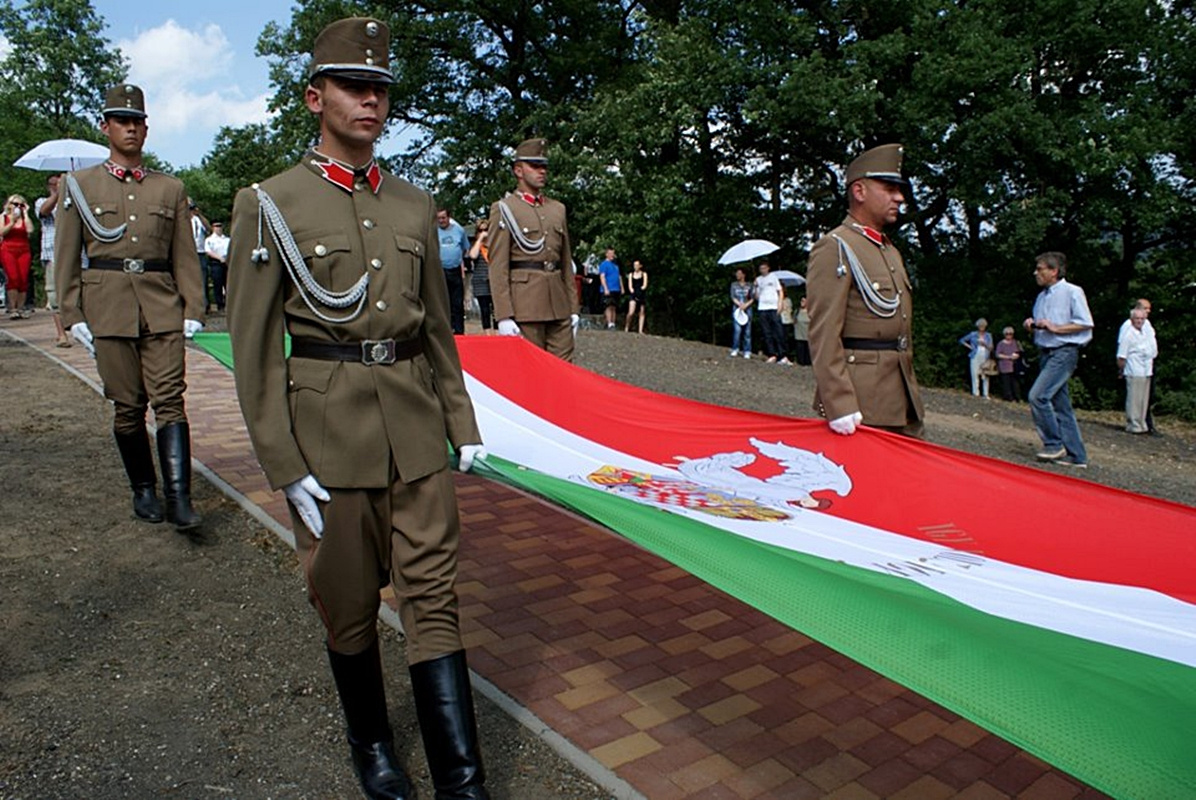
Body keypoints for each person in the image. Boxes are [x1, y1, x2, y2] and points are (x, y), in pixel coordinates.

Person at [226, 18, 490, 800]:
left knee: (434, 597)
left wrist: (461, 422)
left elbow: (437, 330)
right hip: (329, 436)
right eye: (354, 86)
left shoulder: (412, 205)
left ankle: (462, 781)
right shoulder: (269, 203)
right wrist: (283, 461)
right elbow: (252, 349)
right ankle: (372, 744)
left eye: (380, 89)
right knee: (346, 603)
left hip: (414, 431)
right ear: (316, 98)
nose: (371, 100)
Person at [54, 83, 206, 529]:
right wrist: (72, 313)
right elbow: (65, 256)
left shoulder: (170, 188)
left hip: (161, 306)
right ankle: (144, 489)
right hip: (109, 308)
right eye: (122, 120)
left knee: (171, 402)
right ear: (105, 126)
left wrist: (193, 307)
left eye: (138, 121)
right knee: (127, 405)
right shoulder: (78, 187)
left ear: (146, 127)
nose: (131, 128)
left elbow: (184, 256)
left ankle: (180, 498)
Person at [806, 143, 924, 437]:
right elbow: (824, 332)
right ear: (859, 192)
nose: (899, 197)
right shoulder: (835, 248)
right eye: (888, 188)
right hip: (861, 403)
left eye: (899, 189)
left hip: (899, 395)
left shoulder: (888, 249)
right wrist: (839, 402)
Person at [487, 137, 579, 360]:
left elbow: (566, 262)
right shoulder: (505, 209)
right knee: (532, 374)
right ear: (518, 170)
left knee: (566, 374)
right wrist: (504, 316)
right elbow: (498, 266)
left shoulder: (557, 209)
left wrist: (573, 307)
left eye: (544, 166)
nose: (542, 171)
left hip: (558, 304)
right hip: (525, 306)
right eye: (535, 166)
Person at [1023, 251, 1094, 468]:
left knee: (1038, 396)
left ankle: (1054, 443)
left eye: (1040, 268)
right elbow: (1042, 324)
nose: (1036, 273)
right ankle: (1077, 455)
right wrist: (1032, 325)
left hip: (1064, 351)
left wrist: (1056, 328)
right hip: (1046, 351)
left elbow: (1085, 322)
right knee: (1061, 405)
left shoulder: (1072, 292)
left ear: (1053, 271)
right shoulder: (1042, 296)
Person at [35, 175, 70, 345]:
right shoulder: (42, 201)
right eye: (54, 184)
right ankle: (61, 334)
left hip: (75, 254)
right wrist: (57, 193)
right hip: (52, 253)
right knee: (55, 295)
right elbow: (44, 211)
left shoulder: (72, 201)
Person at [1119, 298, 1158, 433]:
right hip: (1134, 367)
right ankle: (1133, 424)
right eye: (1146, 309)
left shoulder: (1147, 326)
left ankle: (1143, 424)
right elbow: (1122, 351)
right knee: (1134, 398)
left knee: (1144, 399)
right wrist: (1121, 369)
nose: (1148, 313)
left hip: (1147, 367)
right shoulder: (1128, 328)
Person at [1, 194, 35, 320]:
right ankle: (13, 308)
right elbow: (2, 232)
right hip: (8, 249)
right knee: (13, 277)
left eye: (21, 205)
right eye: (15, 204)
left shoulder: (24, 218)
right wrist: (12, 222)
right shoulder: (3, 217)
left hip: (24, 249)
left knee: (23, 278)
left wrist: (25, 214)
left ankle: (21, 308)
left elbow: (30, 230)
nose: (18, 207)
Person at [437, 207, 468, 334]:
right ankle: (446, 331)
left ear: (449, 217)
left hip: (455, 271)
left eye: (443, 218)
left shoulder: (459, 230)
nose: (441, 221)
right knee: (444, 303)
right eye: (438, 218)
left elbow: (465, 248)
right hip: (440, 271)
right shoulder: (433, 231)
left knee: (457, 303)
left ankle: (459, 332)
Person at [754, 261, 788, 364]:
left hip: (773, 307)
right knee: (766, 332)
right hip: (762, 307)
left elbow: (780, 291)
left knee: (778, 331)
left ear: (768, 268)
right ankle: (772, 354)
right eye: (761, 268)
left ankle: (783, 355)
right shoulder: (758, 280)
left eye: (764, 268)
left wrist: (780, 304)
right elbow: (756, 297)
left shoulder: (773, 277)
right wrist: (755, 287)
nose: (763, 270)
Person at [468, 219, 494, 333]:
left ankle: (498, 334)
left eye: (486, 230)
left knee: (497, 310)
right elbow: (473, 255)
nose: (484, 232)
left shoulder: (495, 246)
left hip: (494, 282)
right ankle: (487, 334)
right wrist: (480, 240)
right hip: (481, 283)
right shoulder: (476, 246)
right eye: (481, 230)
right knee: (485, 310)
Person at [958, 318, 993, 398]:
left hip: (985, 355)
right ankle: (975, 392)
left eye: (983, 326)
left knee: (985, 374)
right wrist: (970, 347)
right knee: (974, 373)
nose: (982, 327)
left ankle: (985, 393)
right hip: (975, 354)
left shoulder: (988, 335)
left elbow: (991, 347)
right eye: (980, 326)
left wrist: (985, 344)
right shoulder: (973, 334)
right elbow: (962, 340)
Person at [203, 221, 230, 312]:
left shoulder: (227, 239)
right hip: (216, 263)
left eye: (220, 226)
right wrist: (219, 258)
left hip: (226, 262)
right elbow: (208, 251)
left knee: (227, 284)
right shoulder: (209, 240)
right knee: (217, 284)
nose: (218, 228)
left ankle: (228, 303)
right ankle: (220, 304)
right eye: (216, 226)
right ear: (213, 227)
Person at [190, 201, 212, 313]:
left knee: (203, 279)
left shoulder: (199, 220)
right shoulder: (184, 220)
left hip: (200, 252)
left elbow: (209, 229)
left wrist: (199, 214)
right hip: (189, 253)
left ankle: (205, 305)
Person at [994, 326, 1024, 402]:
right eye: (1007, 334)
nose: (1009, 335)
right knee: (1006, 383)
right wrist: (1008, 357)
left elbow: (1020, 352)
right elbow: (997, 354)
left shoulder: (1015, 342)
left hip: (1014, 366)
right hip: (1004, 366)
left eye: (1010, 334)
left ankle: (1017, 397)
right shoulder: (1001, 343)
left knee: (1015, 383)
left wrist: (1016, 356)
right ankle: (1008, 397)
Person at [729, 267, 754, 358]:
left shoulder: (750, 285)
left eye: (739, 273)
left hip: (748, 309)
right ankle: (735, 348)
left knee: (747, 331)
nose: (737, 275)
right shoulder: (734, 285)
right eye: (737, 273)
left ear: (744, 275)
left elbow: (752, 298)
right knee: (737, 330)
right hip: (737, 308)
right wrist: (739, 304)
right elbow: (732, 297)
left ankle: (747, 350)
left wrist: (746, 305)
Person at [597, 248, 622, 329]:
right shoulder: (604, 264)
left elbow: (619, 277)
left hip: (616, 289)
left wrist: (622, 287)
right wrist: (605, 288)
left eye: (613, 253)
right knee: (608, 305)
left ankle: (613, 323)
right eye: (610, 253)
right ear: (606, 254)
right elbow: (602, 276)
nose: (612, 255)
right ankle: (609, 323)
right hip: (608, 288)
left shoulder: (616, 266)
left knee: (614, 306)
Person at [624, 259, 647, 333]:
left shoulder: (644, 274)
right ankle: (627, 327)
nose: (635, 267)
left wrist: (641, 290)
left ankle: (640, 330)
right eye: (634, 265)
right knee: (631, 312)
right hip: (633, 293)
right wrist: (632, 291)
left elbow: (644, 285)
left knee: (642, 312)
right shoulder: (631, 274)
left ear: (640, 266)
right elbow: (630, 286)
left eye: (637, 265)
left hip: (641, 293)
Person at [793, 295, 811, 366]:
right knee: (800, 354)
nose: (802, 302)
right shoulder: (797, 311)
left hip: (808, 337)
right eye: (801, 301)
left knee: (807, 355)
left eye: (803, 301)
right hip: (798, 336)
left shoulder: (810, 312)